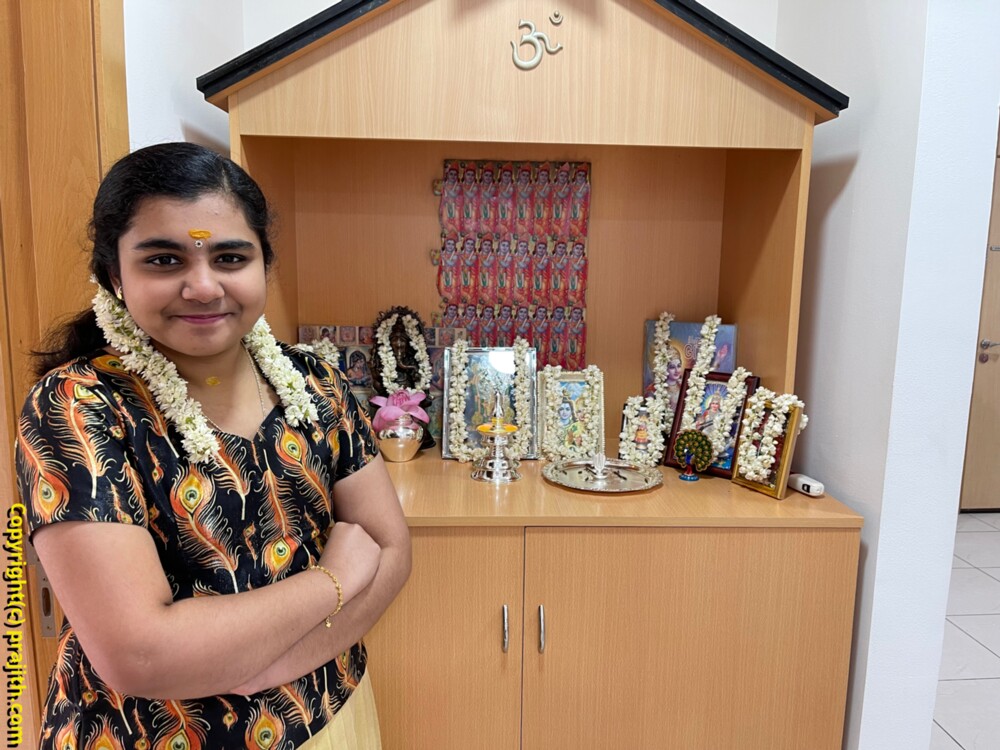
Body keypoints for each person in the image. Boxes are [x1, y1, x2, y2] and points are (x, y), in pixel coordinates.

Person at [16, 142, 411, 749]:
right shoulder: (79, 405)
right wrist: (332, 581)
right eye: (164, 260)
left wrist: (272, 668)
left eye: (230, 257)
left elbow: (391, 549)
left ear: (264, 264)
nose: (203, 287)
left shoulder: (315, 381)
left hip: (332, 715)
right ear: (115, 275)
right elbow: (142, 656)